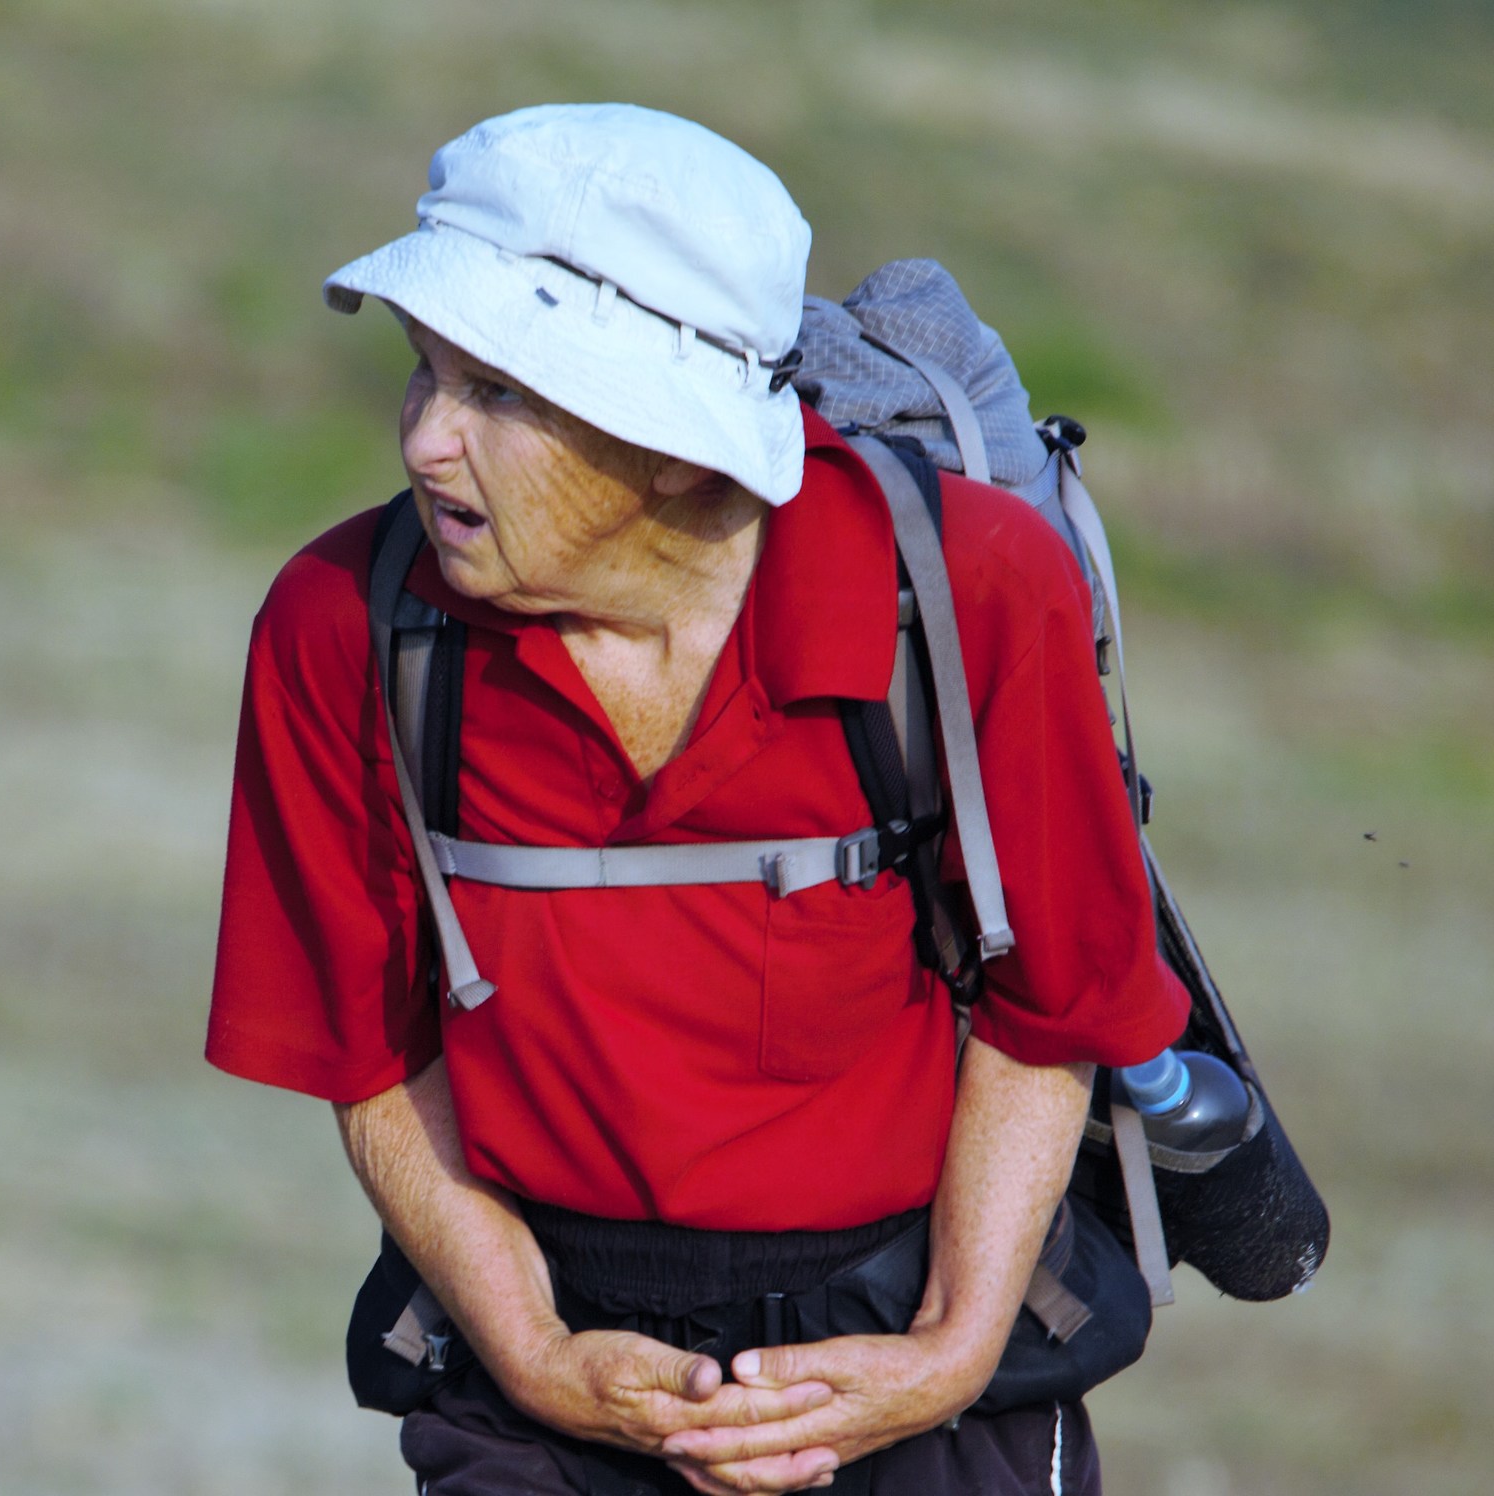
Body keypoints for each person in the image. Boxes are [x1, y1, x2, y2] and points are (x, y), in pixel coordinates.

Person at [203, 104, 1188, 1494]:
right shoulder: (340, 627)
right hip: (535, 1362)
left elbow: (1054, 1012)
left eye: (500, 392)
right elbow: (373, 1057)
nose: (425, 439)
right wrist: (538, 1355)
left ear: (678, 440)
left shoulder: (969, 593)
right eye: (424, 372)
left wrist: (952, 1351)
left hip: (920, 1338)